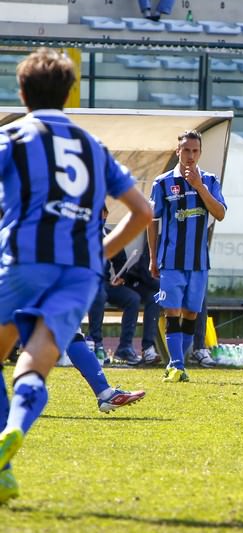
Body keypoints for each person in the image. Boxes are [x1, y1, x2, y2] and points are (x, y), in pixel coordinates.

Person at [0, 47, 153, 504]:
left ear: (22, 91)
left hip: (25, 259)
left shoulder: (12, 138)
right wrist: (96, 252)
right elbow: (143, 211)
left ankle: (4, 457)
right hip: (80, 272)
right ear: (70, 94)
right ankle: (11, 435)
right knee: (37, 362)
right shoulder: (93, 146)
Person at [148, 130, 227, 383]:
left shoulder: (210, 180)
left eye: (195, 151)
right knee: (171, 310)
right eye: (186, 150)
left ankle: (178, 363)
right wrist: (152, 257)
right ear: (177, 152)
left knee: (191, 312)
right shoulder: (161, 183)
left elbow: (220, 213)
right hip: (170, 260)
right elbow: (152, 220)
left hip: (198, 261)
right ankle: (176, 364)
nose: (190, 155)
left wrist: (199, 187)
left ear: (200, 153)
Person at [87, 205, 143, 366]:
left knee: (132, 299)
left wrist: (121, 277)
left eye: (99, 213)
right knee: (99, 295)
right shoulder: (80, 234)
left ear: (105, 214)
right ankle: (96, 343)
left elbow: (120, 261)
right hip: (86, 284)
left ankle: (125, 347)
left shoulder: (109, 235)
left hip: (105, 283)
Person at [121, 244, 161, 365]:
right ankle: (147, 348)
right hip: (137, 282)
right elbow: (146, 274)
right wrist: (169, 289)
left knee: (197, 302)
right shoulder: (158, 240)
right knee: (153, 298)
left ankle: (197, 349)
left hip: (158, 288)